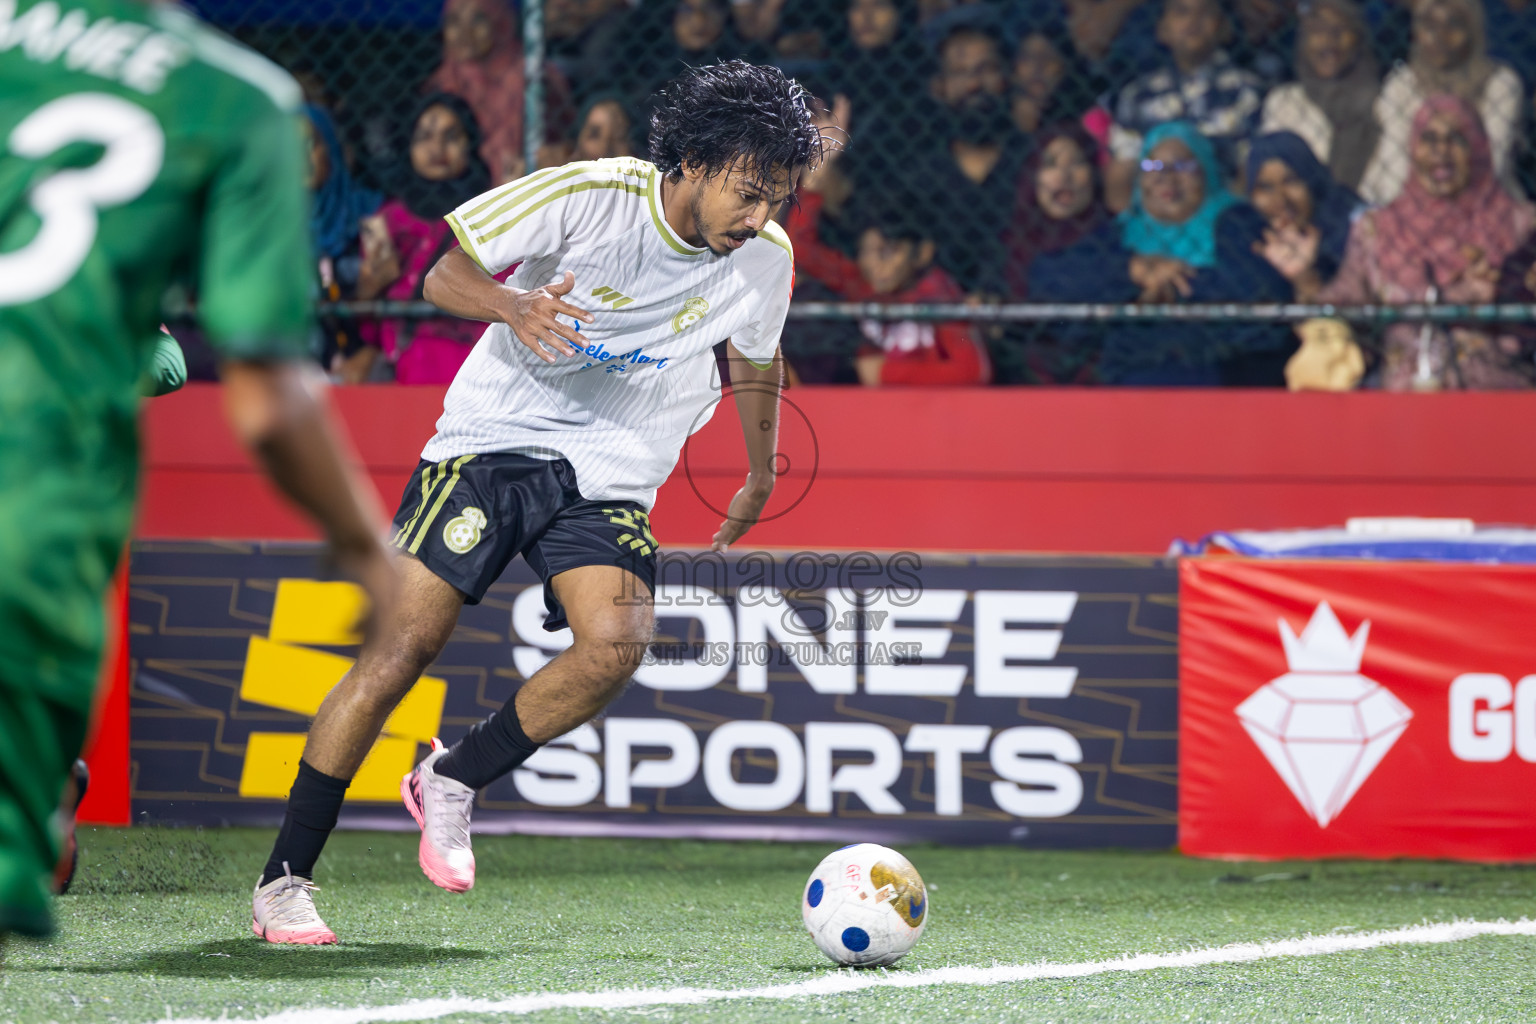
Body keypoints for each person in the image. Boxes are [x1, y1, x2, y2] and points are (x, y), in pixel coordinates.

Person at [250, 60, 823, 944]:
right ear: (698, 162)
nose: (761, 219)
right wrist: (513, 307)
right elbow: (440, 277)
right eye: (750, 194)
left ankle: (453, 777)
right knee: (404, 645)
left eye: (778, 199)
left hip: (613, 466)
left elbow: (753, 357)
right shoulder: (591, 195)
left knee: (617, 643)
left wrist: (760, 468)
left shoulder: (762, 260)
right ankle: (286, 878)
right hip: (495, 436)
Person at [0, 0, 396, 945]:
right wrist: (365, 549)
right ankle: (45, 791)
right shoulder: (234, 100)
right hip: (32, 521)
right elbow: (252, 393)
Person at [1030, 122, 1294, 385]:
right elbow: (1048, 279)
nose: (1165, 176)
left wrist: (1169, 287)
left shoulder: (1236, 221)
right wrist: (1133, 271)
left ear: (1207, 170)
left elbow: (1256, 290)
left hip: (1225, 377)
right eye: (1152, 166)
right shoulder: (1122, 230)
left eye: (1182, 166)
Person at [1319, 96, 1536, 389]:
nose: (1440, 151)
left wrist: (1502, 294)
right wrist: (1304, 275)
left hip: (1498, 399)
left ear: (1478, 147)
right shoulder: (1377, 230)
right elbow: (1336, 309)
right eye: (1429, 138)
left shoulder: (1520, 224)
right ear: (1412, 148)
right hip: (1404, 405)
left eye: (1456, 139)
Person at [350, 94, 497, 386]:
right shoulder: (388, 220)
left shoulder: (490, 214)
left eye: (451, 136)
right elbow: (367, 326)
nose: (437, 148)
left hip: (476, 364)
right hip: (406, 364)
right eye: (424, 137)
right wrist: (369, 288)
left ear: (471, 145)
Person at [786, 189, 991, 385]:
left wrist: (886, 373)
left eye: (888, 251)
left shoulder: (939, 294)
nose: (874, 264)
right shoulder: (860, 281)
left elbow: (973, 371)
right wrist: (812, 190)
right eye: (866, 252)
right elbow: (800, 247)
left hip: (926, 407)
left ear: (922, 253)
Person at [1357, 0, 1525, 204]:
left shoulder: (1501, 83)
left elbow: (1492, 164)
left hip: (1483, 205)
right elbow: (1393, 162)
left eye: (1453, 25)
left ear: (1472, 29)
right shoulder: (1402, 82)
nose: (1440, 37)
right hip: (1403, 207)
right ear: (1416, 32)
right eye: (1429, 26)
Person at [1106, 0, 1266, 210]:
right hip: (1155, 218)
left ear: (1224, 28)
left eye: (1205, 12)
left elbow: (1251, 170)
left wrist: (1224, 217)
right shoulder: (1137, 96)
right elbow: (1121, 176)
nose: (1193, 20)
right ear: (1162, 30)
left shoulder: (1247, 91)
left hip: (1223, 218)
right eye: (1182, 12)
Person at [914, 24, 1032, 296]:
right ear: (939, 87)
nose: (974, 84)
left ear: (1006, 77)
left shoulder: (1032, 159)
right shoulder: (922, 172)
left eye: (986, 69)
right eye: (959, 72)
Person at [1000, 124, 1110, 384]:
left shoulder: (1117, 240)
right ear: (1032, 176)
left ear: (1093, 174)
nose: (1064, 176)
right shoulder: (1008, 245)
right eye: (1050, 164)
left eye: (1077, 163)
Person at [425, 0, 575, 184]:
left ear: (500, 23)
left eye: (478, 19)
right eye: (454, 21)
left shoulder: (532, 78)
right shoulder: (441, 83)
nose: (464, 32)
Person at [1259, 0, 1383, 191]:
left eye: (1340, 30)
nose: (1328, 41)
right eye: (1317, 31)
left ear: (1358, 36)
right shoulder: (1284, 103)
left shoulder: (1386, 101)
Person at [1246, 130, 1366, 291]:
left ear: (1312, 182)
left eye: (1291, 181)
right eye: (1266, 187)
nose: (1281, 200)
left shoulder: (1354, 227)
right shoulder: (1250, 239)